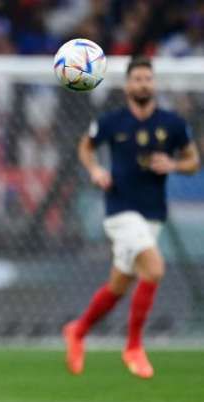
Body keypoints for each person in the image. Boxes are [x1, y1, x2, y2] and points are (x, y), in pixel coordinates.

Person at [63, 57, 200, 379]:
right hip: (120, 210)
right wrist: (96, 169)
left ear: (153, 84)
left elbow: (193, 160)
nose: (143, 84)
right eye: (137, 79)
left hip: (153, 213)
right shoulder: (112, 121)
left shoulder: (172, 123)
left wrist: (174, 165)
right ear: (127, 86)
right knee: (154, 268)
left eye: (147, 79)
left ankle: (78, 330)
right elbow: (86, 147)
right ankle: (134, 346)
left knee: (119, 284)